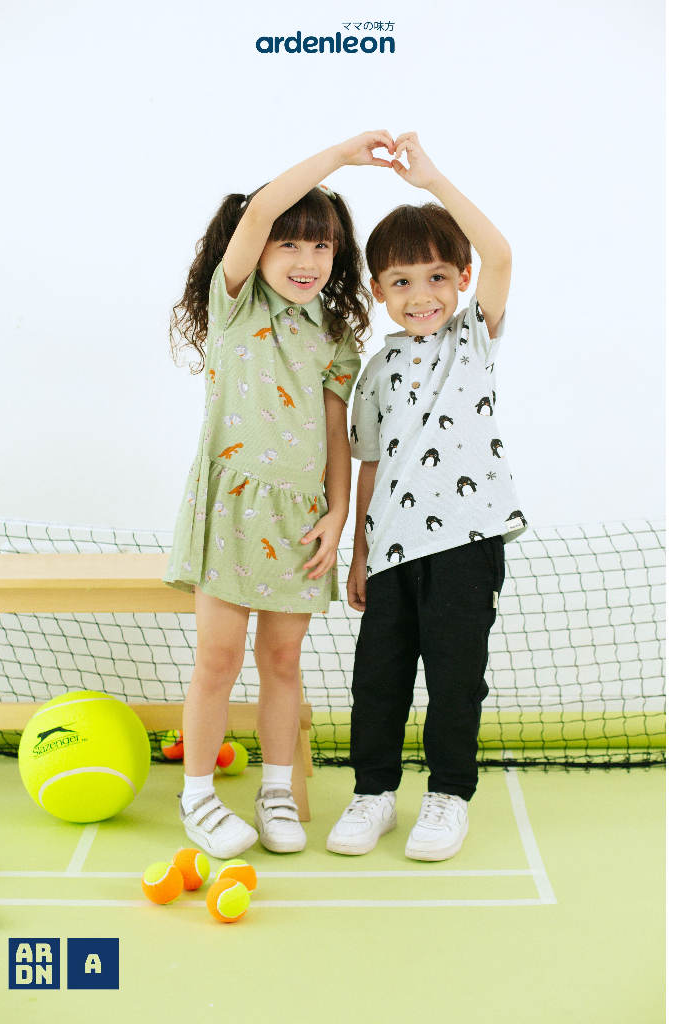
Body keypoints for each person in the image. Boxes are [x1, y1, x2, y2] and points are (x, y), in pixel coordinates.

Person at [163, 132, 394, 858]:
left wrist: (337, 514)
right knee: (218, 660)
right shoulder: (233, 303)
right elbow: (261, 208)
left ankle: (275, 792)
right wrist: (343, 155)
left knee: (284, 662)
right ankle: (197, 796)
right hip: (230, 509)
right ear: (257, 248)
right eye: (289, 244)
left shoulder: (334, 334)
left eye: (321, 246)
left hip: (299, 517)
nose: (306, 260)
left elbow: (335, 432)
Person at [327, 133, 528, 862]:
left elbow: (500, 254)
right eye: (402, 281)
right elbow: (369, 465)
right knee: (377, 680)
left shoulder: (474, 337)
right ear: (379, 291)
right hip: (391, 551)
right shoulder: (376, 369)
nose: (422, 295)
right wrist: (359, 554)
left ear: (463, 279)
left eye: (439, 276)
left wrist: (434, 179)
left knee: (454, 679)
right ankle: (373, 794)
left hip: (466, 544)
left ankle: (448, 796)